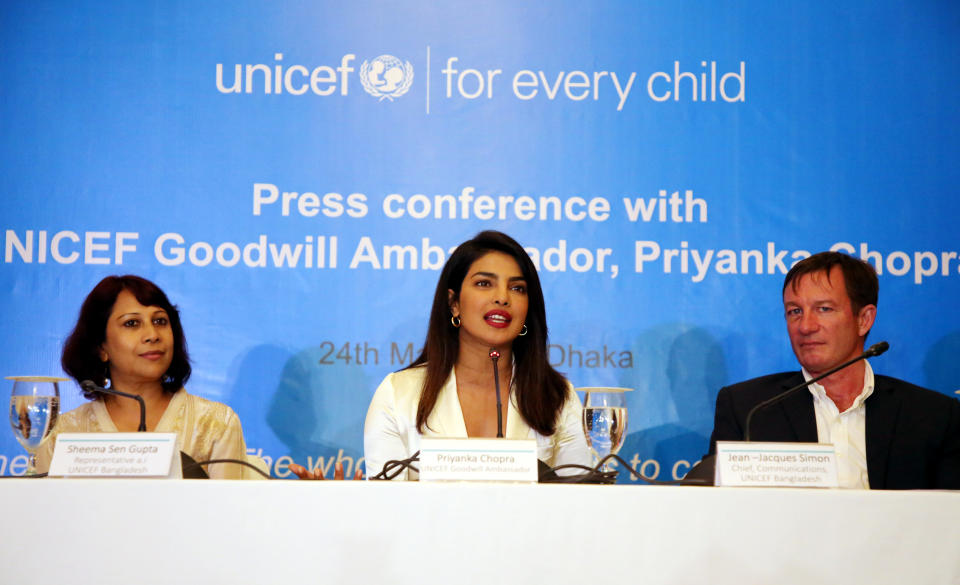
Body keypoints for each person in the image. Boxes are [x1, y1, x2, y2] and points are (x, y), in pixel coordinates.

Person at [698, 251, 960, 489]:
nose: (805, 326)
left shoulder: (933, 416)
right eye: (795, 311)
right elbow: (714, 508)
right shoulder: (750, 409)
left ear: (864, 319)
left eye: (824, 309)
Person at [363, 230, 591, 479]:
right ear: (454, 303)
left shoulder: (557, 396)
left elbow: (580, 501)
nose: (503, 298)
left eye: (517, 288)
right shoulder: (399, 394)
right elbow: (385, 506)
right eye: (484, 283)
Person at [36, 275, 253, 479]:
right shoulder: (62, 433)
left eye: (160, 321)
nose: (152, 335)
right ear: (101, 347)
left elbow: (229, 515)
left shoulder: (215, 423)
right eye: (132, 323)